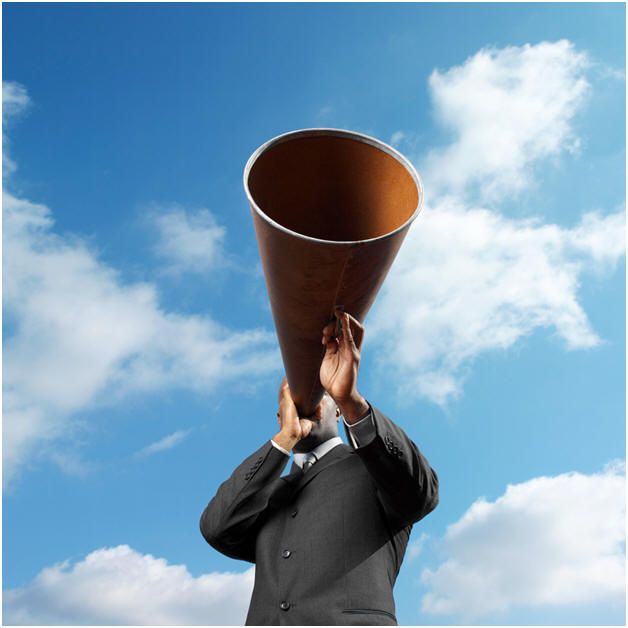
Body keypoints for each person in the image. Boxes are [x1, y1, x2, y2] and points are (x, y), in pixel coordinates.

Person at [199, 309, 439, 626]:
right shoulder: (265, 494)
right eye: (291, 403)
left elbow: (421, 492)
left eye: (316, 396)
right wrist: (283, 440)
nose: (303, 404)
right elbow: (216, 528)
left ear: (338, 413)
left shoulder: (373, 467)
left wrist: (351, 399)